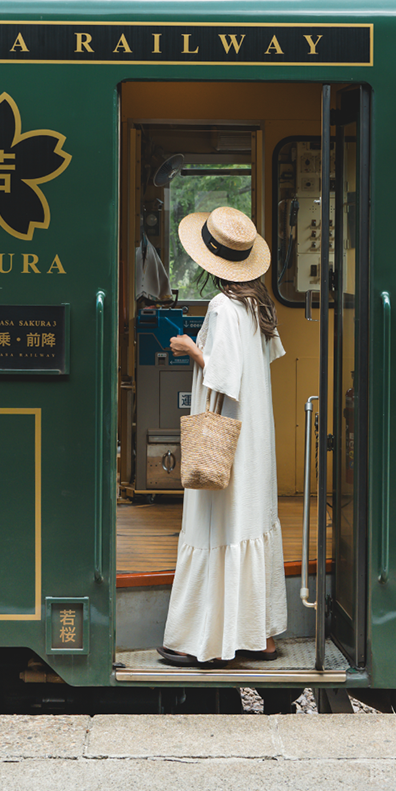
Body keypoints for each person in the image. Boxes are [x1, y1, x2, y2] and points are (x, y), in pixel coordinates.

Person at [159, 205, 287, 667]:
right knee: (250, 521)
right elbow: (259, 362)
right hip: (253, 434)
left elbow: (223, 375)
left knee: (215, 524)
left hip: (223, 438)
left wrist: (190, 347)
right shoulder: (258, 305)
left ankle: (202, 640)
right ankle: (261, 638)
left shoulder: (220, 305)